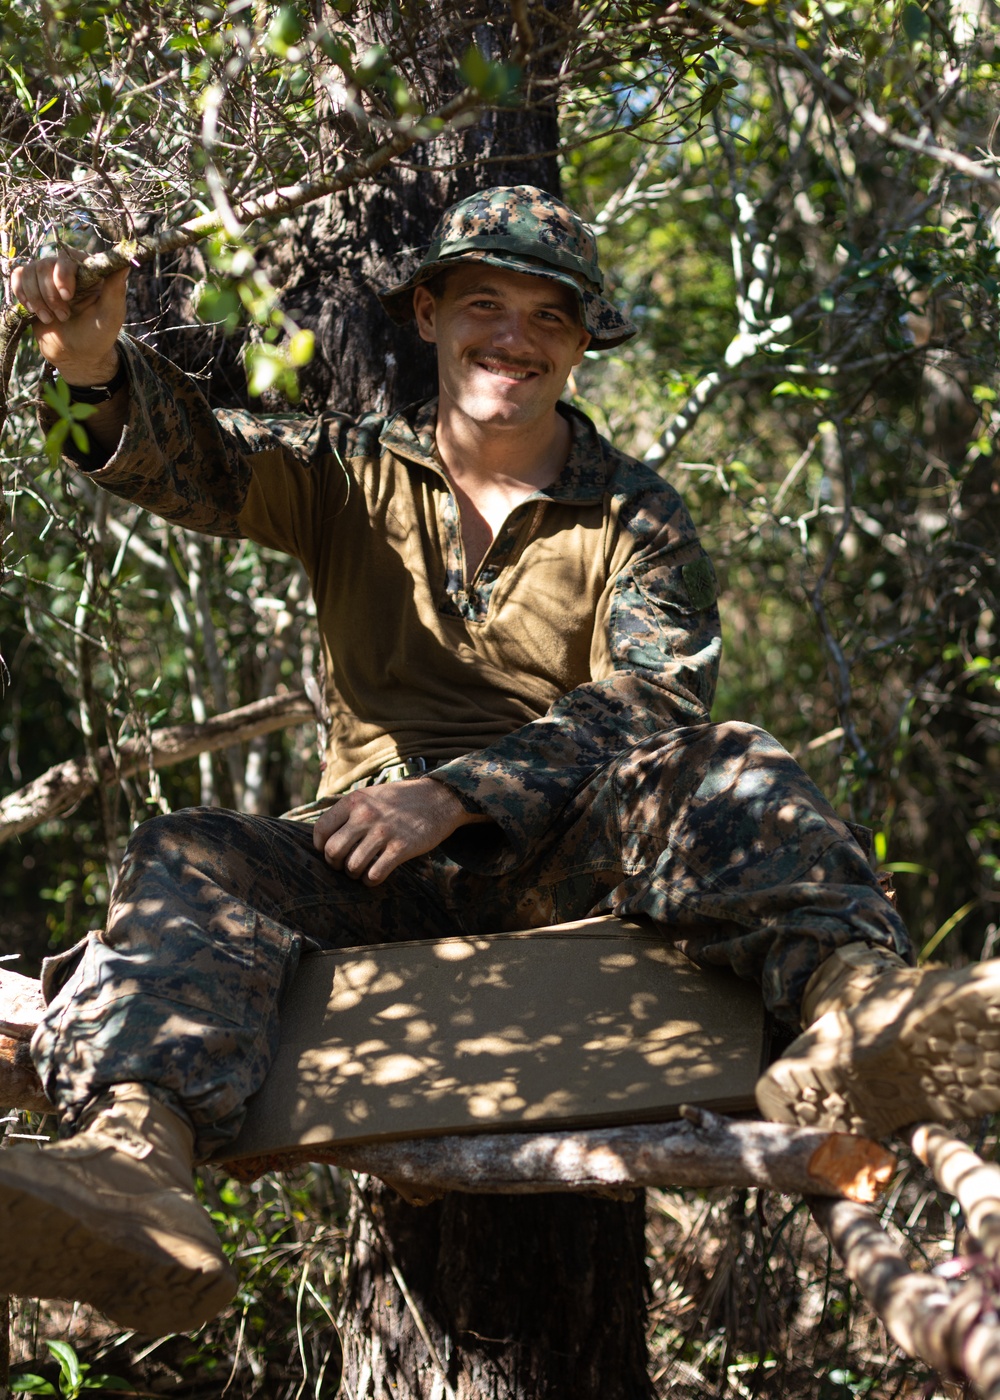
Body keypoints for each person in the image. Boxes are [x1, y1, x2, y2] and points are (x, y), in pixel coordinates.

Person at [3, 186, 998, 1336]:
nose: (513, 340)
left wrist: (460, 792)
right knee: (180, 848)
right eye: (485, 303)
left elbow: (655, 695)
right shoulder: (344, 467)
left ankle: (858, 1009)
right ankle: (136, 1165)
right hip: (361, 870)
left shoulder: (638, 517)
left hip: (562, 864)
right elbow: (184, 464)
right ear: (427, 312)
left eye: (548, 317)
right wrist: (88, 367)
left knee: (723, 759)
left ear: (579, 345)